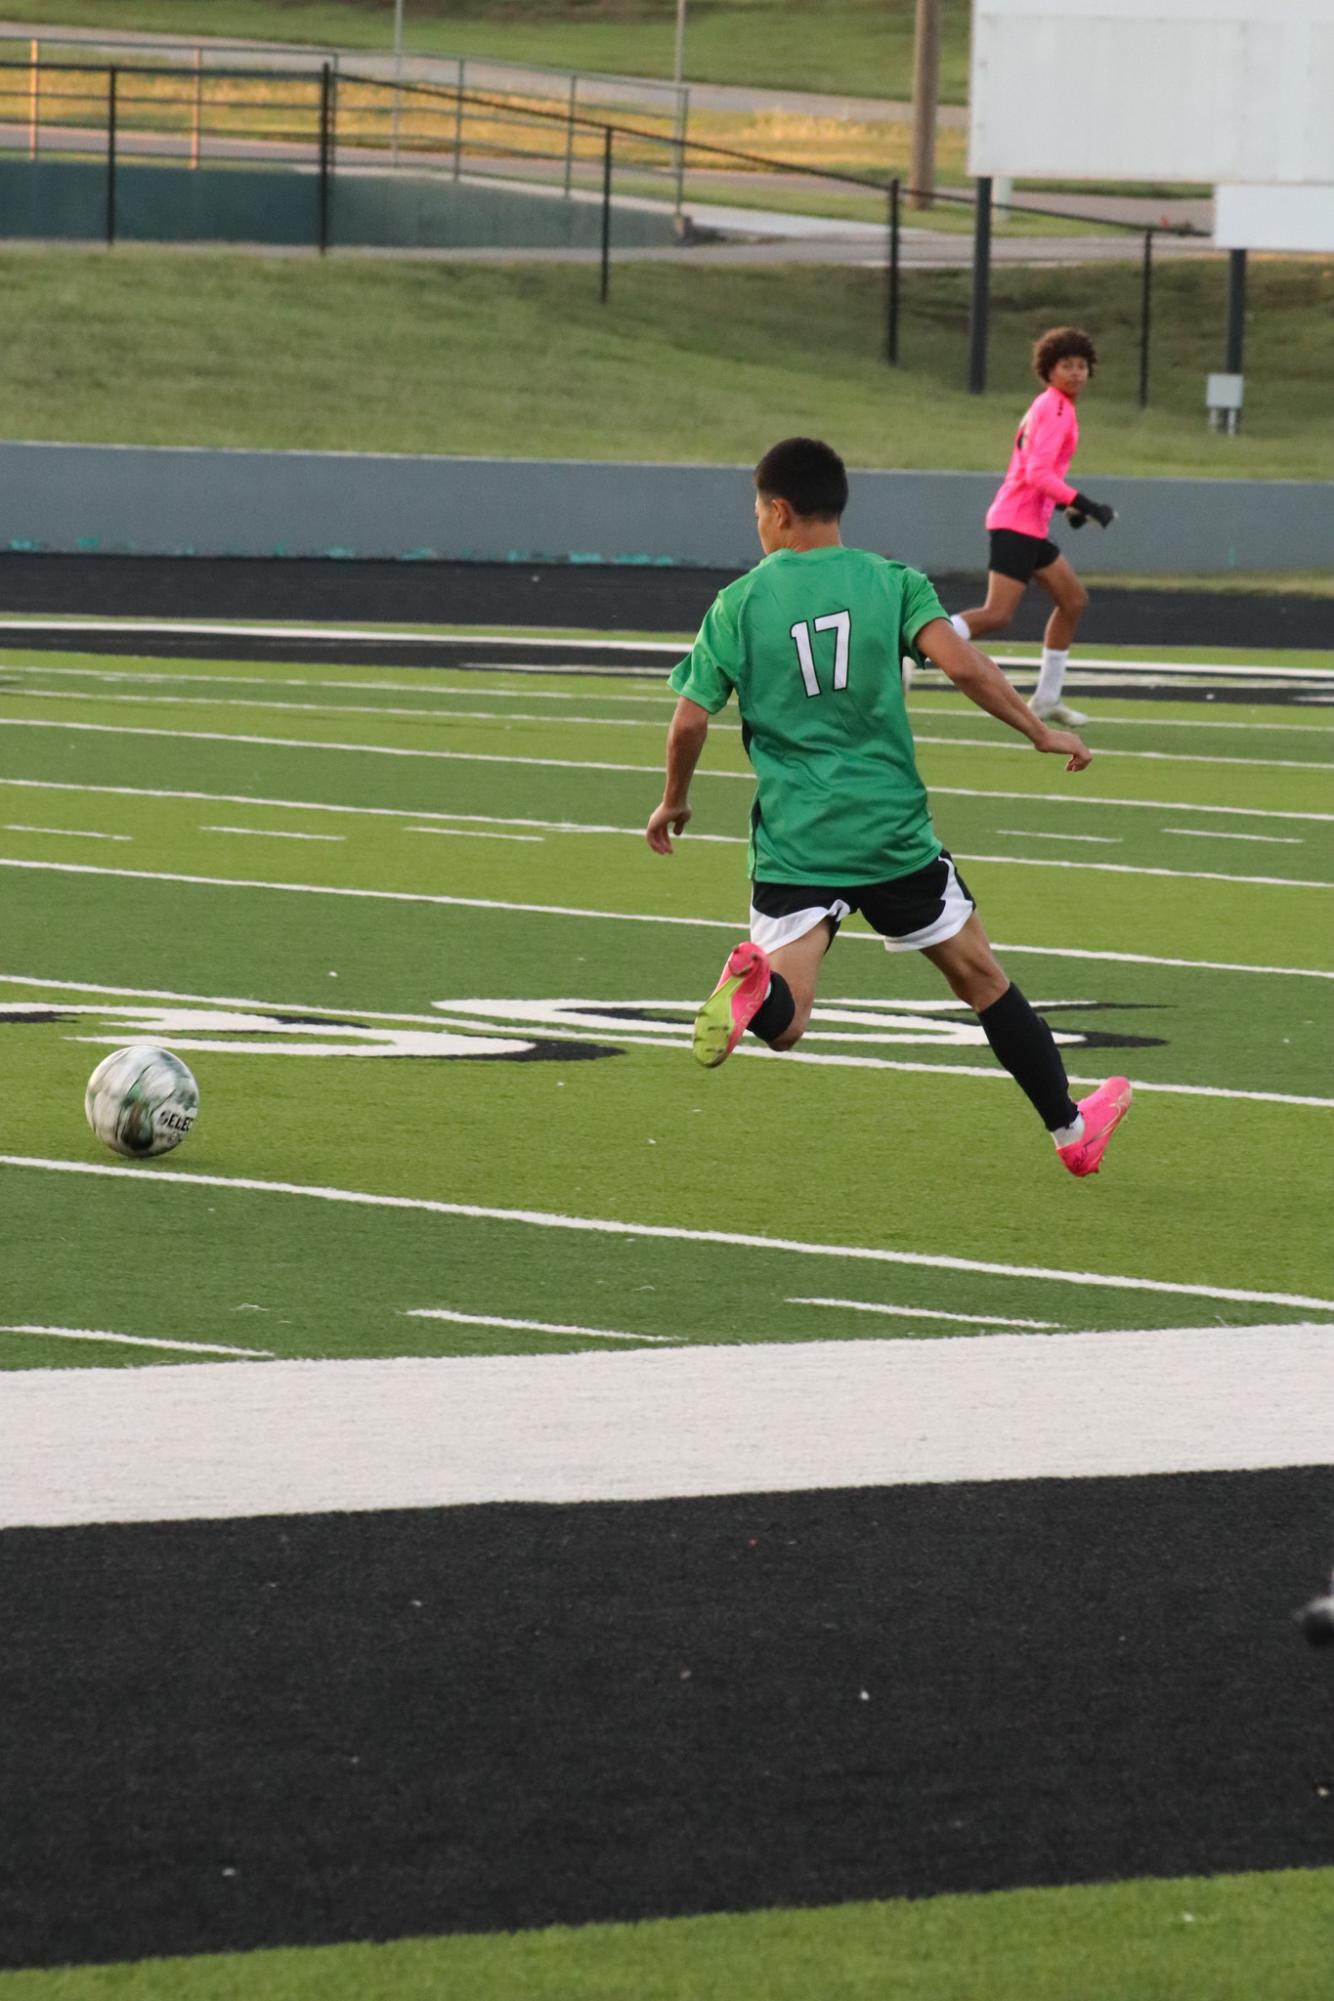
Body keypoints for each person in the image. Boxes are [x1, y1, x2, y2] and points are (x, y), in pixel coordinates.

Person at [644, 435, 1132, 1178]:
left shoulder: (737, 604)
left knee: (789, 1021)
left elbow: (688, 719)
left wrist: (674, 801)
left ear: (778, 512)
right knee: (981, 976)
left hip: (797, 842)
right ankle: (1071, 1130)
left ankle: (756, 989)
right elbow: (964, 664)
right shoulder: (891, 581)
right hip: (891, 834)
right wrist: (1037, 728)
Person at [944, 326, 1116, 727]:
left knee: (1073, 600)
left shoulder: (1052, 405)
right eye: (1066, 366)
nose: (1075, 373)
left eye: (1081, 366)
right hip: (1016, 521)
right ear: (1048, 370)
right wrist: (1085, 503)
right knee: (997, 614)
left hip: (1030, 523)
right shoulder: (1055, 408)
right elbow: (1037, 474)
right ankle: (909, 649)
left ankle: (1047, 698)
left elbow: (1036, 474)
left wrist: (1066, 509)